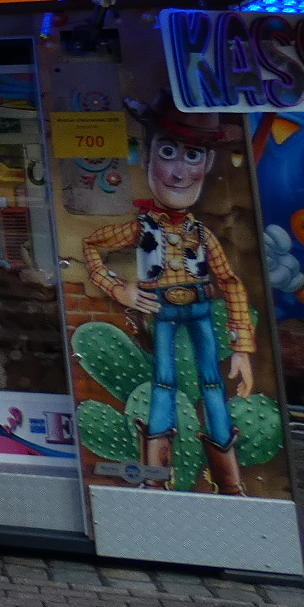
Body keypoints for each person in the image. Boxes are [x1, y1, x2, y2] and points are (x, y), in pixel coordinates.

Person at [81, 107, 255, 495]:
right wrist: (118, 288)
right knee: (163, 383)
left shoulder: (202, 233)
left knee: (213, 383)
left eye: (192, 155)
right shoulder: (141, 226)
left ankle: (230, 482)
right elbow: (92, 245)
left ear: (206, 164)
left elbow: (229, 281)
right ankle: (155, 476)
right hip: (161, 311)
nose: (178, 172)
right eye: (167, 152)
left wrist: (241, 347)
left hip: (201, 310)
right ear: (147, 157)